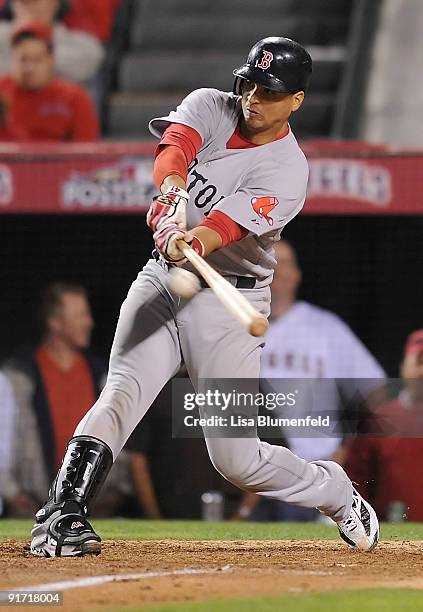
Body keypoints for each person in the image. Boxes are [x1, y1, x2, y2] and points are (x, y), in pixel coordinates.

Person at [29, 37, 379, 557]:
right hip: (163, 283)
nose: (254, 98)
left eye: (271, 91)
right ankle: (63, 514)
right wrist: (170, 198)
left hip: (228, 303)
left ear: (297, 100)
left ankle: (333, 490)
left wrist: (189, 237)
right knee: (120, 391)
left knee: (236, 460)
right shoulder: (211, 104)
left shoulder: (289, 170)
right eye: (251, 84)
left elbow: (222, 228)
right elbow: (175, 148)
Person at [233, 239, 386, 521]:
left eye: (285, 263)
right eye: (270, 262)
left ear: (297, 274)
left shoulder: (323, 327)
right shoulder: (232, 325)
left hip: (313, 471)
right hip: (248, 475)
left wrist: (347, 449)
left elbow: (376, 391)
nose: (278, 270)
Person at [2, 283, 130, 516]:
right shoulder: (18, 377)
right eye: (81, 315)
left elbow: (118, 427)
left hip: (93, 509)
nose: (89, 322)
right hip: (30, 508)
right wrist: (12, 494)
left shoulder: (103, 375)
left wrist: (114, 491)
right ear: (55, 323)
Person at [345, 330, 423, 521]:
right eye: (419, 363)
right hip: (392, 533)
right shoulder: (379, 420)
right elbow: (356, 481)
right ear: (404, 368)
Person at [0, 22, 99, 141]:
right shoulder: (1, 91)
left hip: (58, 159)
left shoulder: (75, 97)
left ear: (51, 61)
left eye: (37, 60)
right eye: (23, 59)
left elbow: (86, 148)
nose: (29, 68)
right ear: (12, 60)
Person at [0, 0, 104, 84]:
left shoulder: (85, 46)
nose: (28, 4)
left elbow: (87, 65)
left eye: (36, 1)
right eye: (23, 1)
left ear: (55, 3)